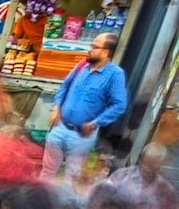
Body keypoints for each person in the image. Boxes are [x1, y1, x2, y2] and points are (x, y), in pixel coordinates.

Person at [40, 32, 128, 185]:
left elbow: (119, 105)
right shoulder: (82, 65)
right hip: (60, 127)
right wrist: (57, 107)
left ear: (106, 52)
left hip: (81, 136)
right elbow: (65, 86)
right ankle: (36, 202)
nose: (90, 49)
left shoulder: (115, 74)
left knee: (71, 176)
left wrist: (96, 122)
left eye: (95, 47)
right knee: (47, 171)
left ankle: (62, 205)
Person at [107, 142, 177, 209]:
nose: (145, 168)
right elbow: (103, 195)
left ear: (160, 166)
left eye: (151, 165)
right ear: (140, 159)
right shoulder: (123, 175)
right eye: (144, 162)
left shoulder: (165, 190)